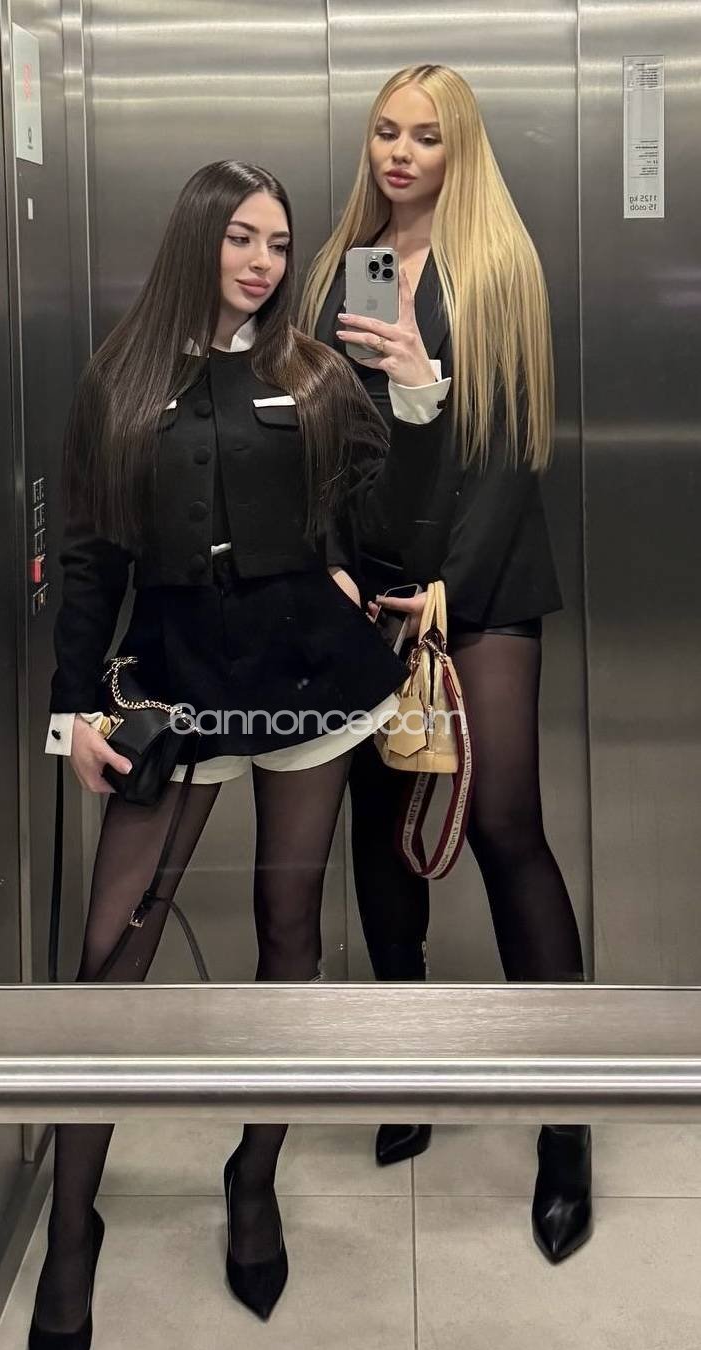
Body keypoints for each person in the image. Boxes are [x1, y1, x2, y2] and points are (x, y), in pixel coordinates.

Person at [30, 157, 450, 1350]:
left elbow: (381, 518)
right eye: (241, 240)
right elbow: (92, 557)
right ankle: (69, 1230)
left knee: (288, 930)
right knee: (110, 957)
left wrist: (415, 400)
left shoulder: (313, 372)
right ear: (197, 239)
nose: (264, 262)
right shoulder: (120, 378)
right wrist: (70, 716)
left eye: (278, 242)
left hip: (308, 684)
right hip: (175, 691)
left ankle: (254, 1177)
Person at [299, 64, 592, 1265]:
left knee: (507, 827)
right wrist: (333, 563)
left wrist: (447, 590)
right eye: (385, 132)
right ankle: (407, 1069)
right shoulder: (351, 268)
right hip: (372, 585)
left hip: (481, 585)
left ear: (457, 149)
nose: (400, 153)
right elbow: (330, 440)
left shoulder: (495, 267)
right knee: (380, 830)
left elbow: (508, 453)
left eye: (425, 136)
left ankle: (569, 1122)